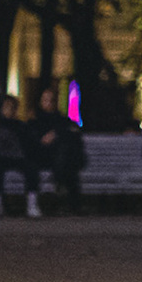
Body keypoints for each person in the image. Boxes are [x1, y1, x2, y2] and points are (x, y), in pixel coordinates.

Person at [29, 85, 87, 214]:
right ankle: (69, 201)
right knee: (67, 161)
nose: (49, 103)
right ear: (40, 101)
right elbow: (34, 140)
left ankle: (64, 198)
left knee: (67, 159)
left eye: (52, 100)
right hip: (43, 157)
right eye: (46, 100)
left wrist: (56, 134)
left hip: (61, 158)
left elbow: (74, 132)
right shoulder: (35, 120)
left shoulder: (62, 120)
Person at [0, 93, 41, 218]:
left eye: (12, 107)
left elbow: (30, 143)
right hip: (0, 159)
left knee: (31, 167)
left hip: (18, 158)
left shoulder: (20, 125)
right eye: (7, 107)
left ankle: (32, 203)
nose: (10, 110)